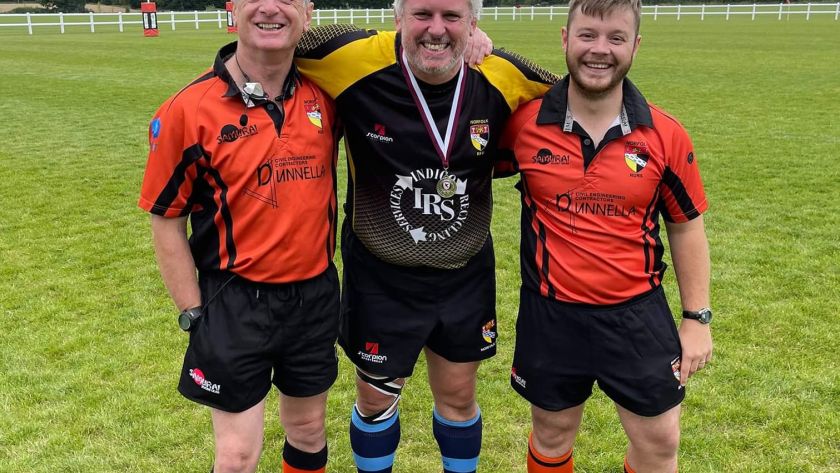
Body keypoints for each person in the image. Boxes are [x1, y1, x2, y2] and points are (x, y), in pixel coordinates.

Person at [294, 1, 558, 472]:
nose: (436, 29)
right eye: (422, 14)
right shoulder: (350, 58)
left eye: (452, 16)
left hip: (463, 273)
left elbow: (577, 88)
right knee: (375, 399)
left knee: (458, 396)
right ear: (398, 17)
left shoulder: (500, 72)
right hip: (380, 274)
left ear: (473, 21)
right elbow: (276, 37)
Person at [497, 0, 713, 471]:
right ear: (565, 39)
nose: (600, 49)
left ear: (635, 46)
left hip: (637, 314)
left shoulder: (665, 134)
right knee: (551, 434)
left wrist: (697, 318)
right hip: (550, 314)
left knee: (659, 441)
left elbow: (686, 224)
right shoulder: (524, 125)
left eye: (616, 38)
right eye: (587, 35)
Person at [138, 0, 341, 471]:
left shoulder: (327, 95)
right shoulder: (187, 109)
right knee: (237, 454)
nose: (271, 8)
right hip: (233, 301)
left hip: (314, 296)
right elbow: (166, 218)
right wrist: (192, 311)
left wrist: (474, 39)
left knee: (309, 430)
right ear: (234, 8)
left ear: (307, 12)